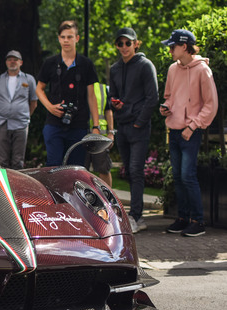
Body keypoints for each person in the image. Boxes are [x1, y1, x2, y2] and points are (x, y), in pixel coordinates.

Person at [160, 29, 218, 237]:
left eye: (172, 46)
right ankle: (183, 218)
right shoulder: (172, 69)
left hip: (191, 133)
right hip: (174, 130)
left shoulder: (202, 70)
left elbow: (211, 105)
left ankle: (198, 221)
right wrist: (165, 107)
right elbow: (169, 97)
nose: (170, 50)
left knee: (188, 176)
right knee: (177, 176)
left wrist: (192, 126)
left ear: (184, 47)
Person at [109, 27, 159, 234]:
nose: (123, 47)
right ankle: (134, 214)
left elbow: (153, 98)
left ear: (136, 44)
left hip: (138, 128)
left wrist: (139, 122)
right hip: (122, 127)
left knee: (136, 171)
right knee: (129, 171)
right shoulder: (114, 69)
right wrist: (116, 105)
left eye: (127, 43)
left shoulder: (146, 66)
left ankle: (137, 216)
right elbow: (113, 96)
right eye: (120, 43)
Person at [36, 21, 100, 168]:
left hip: (79, 124)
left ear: (77, 38)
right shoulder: (50, 63)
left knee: (76, 169)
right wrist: (49, 107)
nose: (66, 40)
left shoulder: (86, 64)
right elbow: (39, 89)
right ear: (58, 38)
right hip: (54, 124)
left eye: (70, 37)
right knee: (53, 166)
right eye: (63, 37)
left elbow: (91, 96)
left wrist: (95, 125)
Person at [0, 50, 38, 169]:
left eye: (15, 60)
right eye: (9, 59)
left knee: (18, 160)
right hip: (2, 122)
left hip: (21, 123)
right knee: (1, 160)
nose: (12, 62)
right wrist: (5, 111)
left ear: (20, 62)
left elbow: (34, 102)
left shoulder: (29, 79)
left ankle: (17, 186)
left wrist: (24, 115)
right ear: (6, 62)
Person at [85, 82, 115, 186]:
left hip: (99, 135)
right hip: (80, 134)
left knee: (103, 168)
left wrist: (111, 132)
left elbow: (108, 110)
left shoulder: (102, 88)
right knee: (80, 168)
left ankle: (108, 200)